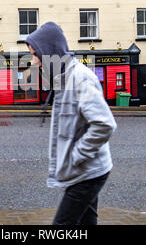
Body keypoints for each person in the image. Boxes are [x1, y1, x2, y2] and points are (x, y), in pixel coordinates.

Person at [25, 22, 117, 225]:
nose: (34, 61)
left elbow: (104, 124)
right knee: (86, 222)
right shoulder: (63, 78)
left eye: (36, 55)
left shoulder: (80, 79)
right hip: (82, 170)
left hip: (88, 171)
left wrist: (77, 155)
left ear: (50, 52)